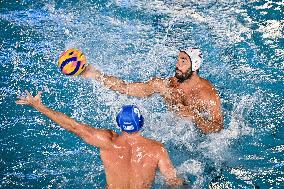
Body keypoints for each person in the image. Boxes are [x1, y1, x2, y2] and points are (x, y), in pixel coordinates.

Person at [16, 90, 185, 188]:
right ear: (141, 123)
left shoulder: (107, 141)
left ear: (119, 124)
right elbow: (173, 182)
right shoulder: (156, 150)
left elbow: (73, 126)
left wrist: (39, 106)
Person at [81, 48, 223, 134]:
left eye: (183, 61)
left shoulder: (207, 95)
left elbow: (218, 128)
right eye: (178, 59)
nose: (177, 64)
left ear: (195, 65)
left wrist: (195, 117)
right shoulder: (165, 85)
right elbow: (125, 87)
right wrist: (97, 75)